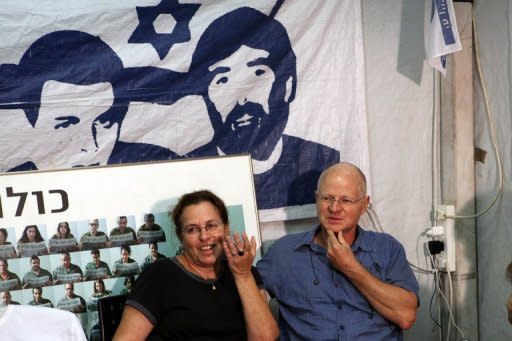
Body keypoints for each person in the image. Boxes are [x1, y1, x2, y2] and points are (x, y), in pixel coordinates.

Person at [187, 7, 339, 209]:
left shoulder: (324, 162)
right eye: (222, 80)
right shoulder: (189, 172)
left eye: (258, 73)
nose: (242, 99)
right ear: (205, 97)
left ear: (288, 85)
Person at [257, 162, 419, 340]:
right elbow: (247, 299)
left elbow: (406, 317)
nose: (334, 208)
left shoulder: (386, 248)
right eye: (327, 198)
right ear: (316, 198)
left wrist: (351, 267)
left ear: (364, 205)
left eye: (346, 200)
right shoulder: (284, 252)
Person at [1, 30, 176, 172]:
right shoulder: (10, 189)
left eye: (105, 122)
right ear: (30, 122)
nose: (90, 146)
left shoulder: (161, 169)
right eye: (66, 124)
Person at [113, 190, 278, 340]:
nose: (204, 236)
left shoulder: (245, 271)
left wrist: (243, 276)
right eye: (192, 229)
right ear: (180, 236)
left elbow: (265, 338)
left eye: (211, 226)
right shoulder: (159, 275)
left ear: (226, 228)